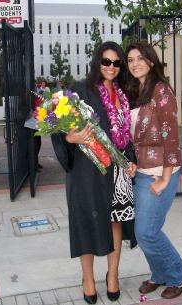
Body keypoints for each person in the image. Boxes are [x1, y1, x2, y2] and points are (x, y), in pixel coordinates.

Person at [51, 41, 136, 304]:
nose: (111, 67)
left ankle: (113, 275)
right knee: (85, 222)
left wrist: (131, 160)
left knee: (115, 221)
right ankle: (87, 279)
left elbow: (127, 136)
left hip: (116, 171)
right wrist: (70, 138)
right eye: (106, 61)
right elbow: (58, 124)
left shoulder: (124, 95)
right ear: (97, 62)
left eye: (117, 63)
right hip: (87, 169)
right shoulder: (80, 91)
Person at [125, 41, 182, 299]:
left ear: (151, 61)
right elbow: (134, 137)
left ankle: (179, 274)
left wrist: (165, 178)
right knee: (146, 231)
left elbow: (171, 136)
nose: (135, 64)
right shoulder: (136, 91)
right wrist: (132, 161)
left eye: (140, 58)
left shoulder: (161, 90)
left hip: (160, 173)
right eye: (130, 60)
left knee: (146, 231)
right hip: (142, 172)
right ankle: (159, 274)